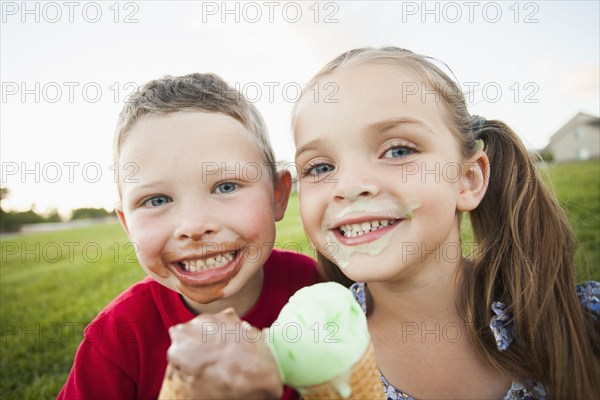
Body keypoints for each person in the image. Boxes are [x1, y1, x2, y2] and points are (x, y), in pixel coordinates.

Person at [292, 47, 600, 399]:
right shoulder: (313, 348)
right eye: (320, 168)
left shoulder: (579, 323)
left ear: (467, 179)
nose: (348, 186)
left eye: (398, 150)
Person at [58, 73, 321, 399]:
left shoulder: (315, 289)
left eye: (225, 187)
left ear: (277, 195)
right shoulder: (118, 338)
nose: (194, 226)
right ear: (127, 225)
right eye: (157, 200)